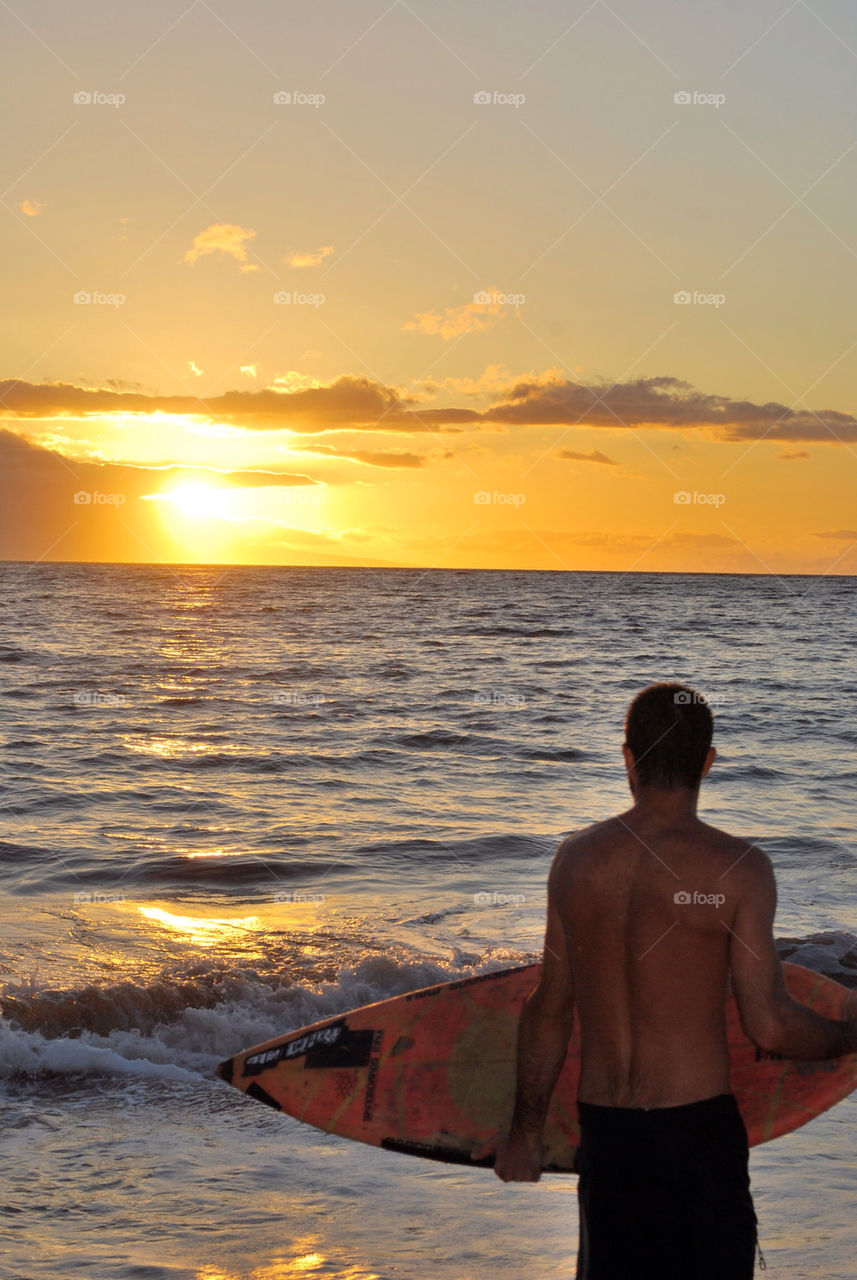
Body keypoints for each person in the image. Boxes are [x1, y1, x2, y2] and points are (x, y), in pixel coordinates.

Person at [481, 682, 857, 1279]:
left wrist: (524, 1131)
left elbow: (548, 1006)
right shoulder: (739, 868)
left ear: (627, 757)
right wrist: (846, 1036)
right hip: (696, 1138)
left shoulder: (574, 860)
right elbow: (770, 1023)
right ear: (708, 762)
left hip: (605, 1138)